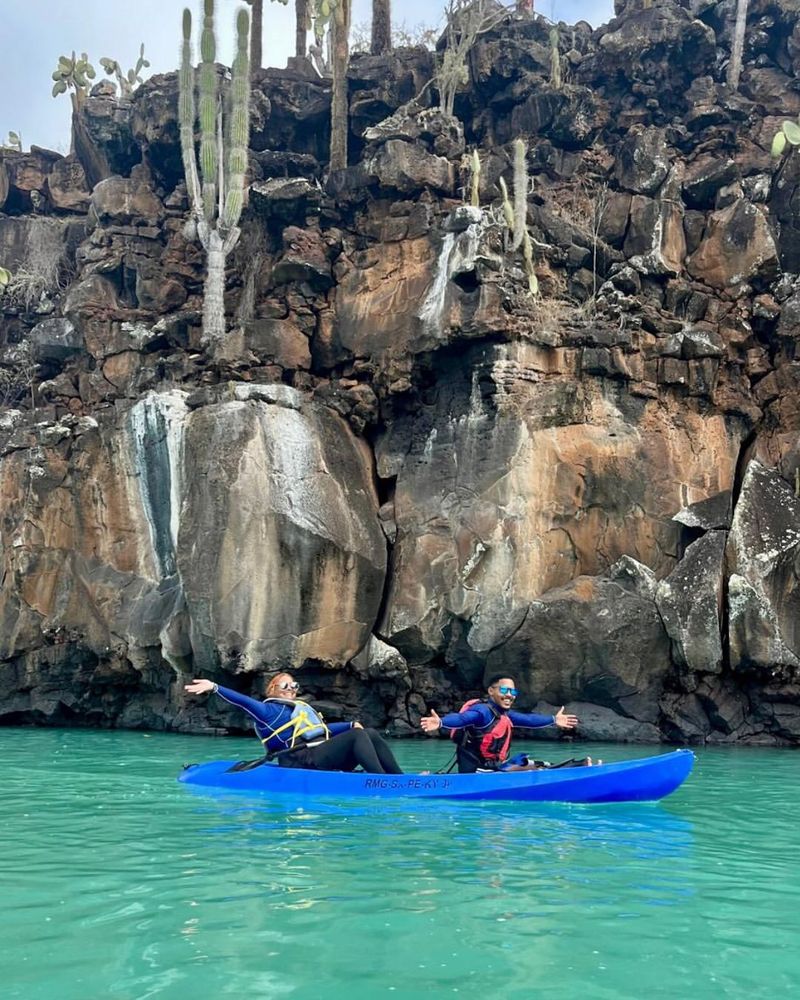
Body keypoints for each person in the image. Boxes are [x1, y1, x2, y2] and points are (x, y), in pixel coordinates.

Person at [184, 672, 403, 774]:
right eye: (285, 685)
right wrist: (215, 687)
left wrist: (349, 725)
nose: (291, 689)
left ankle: (399, 779)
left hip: (320, 755)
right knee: (358, 737)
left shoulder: (298, 711)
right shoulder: (268, 711)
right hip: (302, 761)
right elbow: (243, 702)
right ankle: (381, 781)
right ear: (273, 690)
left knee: (369, 732)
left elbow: (320, 731)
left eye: (294, 685)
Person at [420, 674, 582, 773]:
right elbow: (462, 719)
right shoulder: (482, 712)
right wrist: (441, 722)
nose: (509, 695)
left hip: (495, 768)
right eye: (504, 691)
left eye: (513, 692)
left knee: (534, 764)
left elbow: (529, 720)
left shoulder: (504, 715)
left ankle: (580, 768)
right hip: (477, 773)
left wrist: (554, 719)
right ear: (491, 691)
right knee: (530, 768)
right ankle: (577, 771)